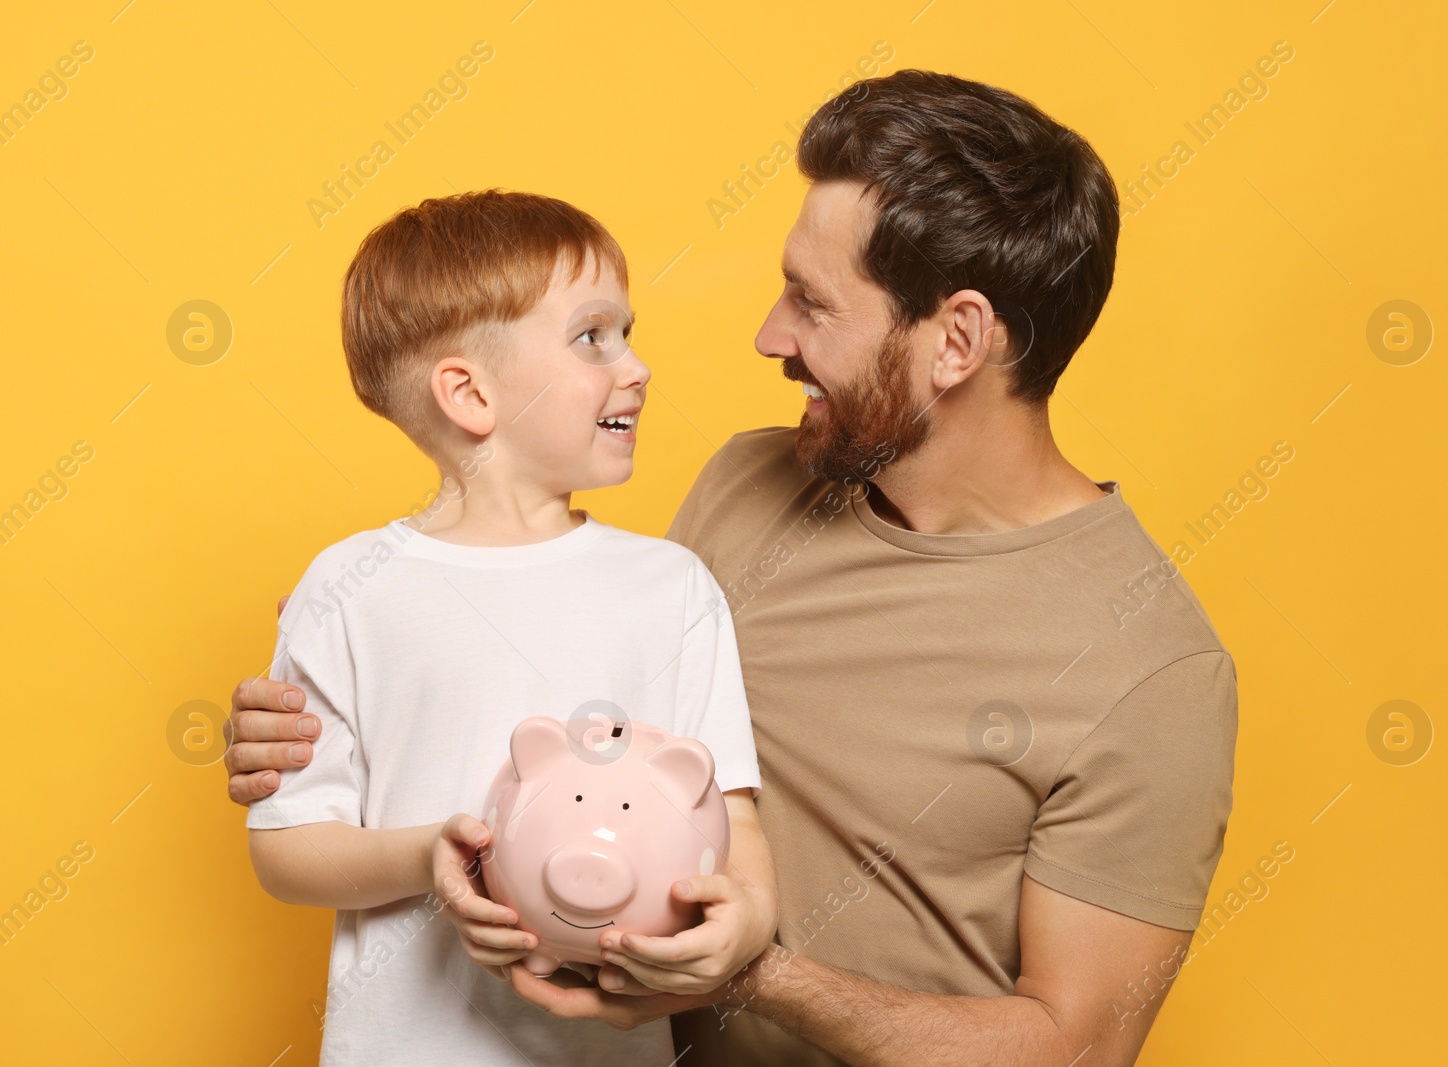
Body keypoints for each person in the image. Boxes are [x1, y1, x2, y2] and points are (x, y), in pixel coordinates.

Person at [229, 71, 1238, 1066]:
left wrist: (754, 973)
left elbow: (1072, 1050)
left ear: (957, 340)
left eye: (812, 302)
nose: (769, 336)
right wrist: (335, 675)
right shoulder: (750, 486)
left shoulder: (1149, 669)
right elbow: (563, 671)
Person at [241, 189, 778, 1065]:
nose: (636, 367)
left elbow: (734, 819)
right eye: (592, 337)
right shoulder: (347, 588)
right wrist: (431, 858)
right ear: (468, 392)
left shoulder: (671, 587)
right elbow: (288, 851)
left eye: (628, 334)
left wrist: (745, 918)